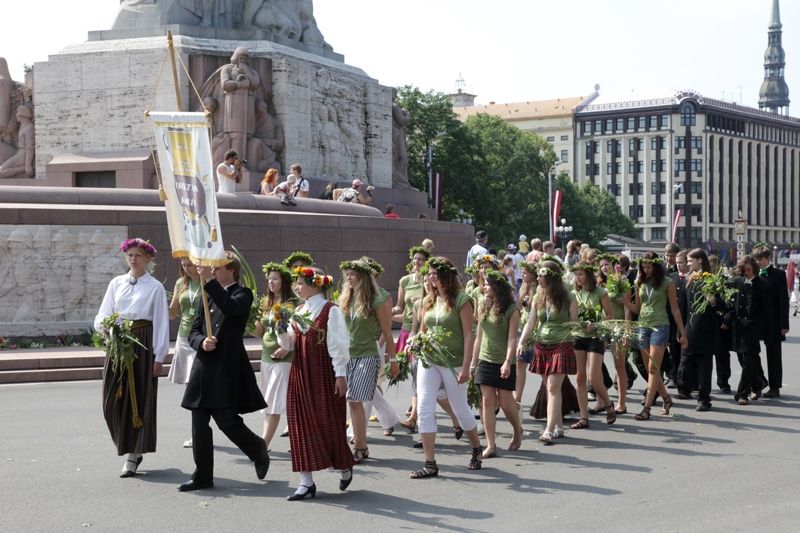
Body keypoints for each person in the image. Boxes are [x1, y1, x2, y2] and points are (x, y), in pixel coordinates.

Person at [178, 252, 269, 492]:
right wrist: (201, 342)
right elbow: (193, 330)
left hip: (226, 367)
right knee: (198, 422)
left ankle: (257, 448)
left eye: (217, 268)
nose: (213, 271)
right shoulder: (208, 293)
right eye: (211, 269)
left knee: (226, 421)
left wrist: (209, 282)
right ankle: (203, 476)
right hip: (204, 366)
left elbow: (230, 308)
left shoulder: (243, 293)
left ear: (231, 270)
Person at [94, 238, 169, 478]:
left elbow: (160, 323)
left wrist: (159, 357)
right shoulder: (117, 283)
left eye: (138, 255)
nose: (133, 259)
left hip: (143, 342)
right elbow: (104, 313)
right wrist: (106, 328)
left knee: (139, 398)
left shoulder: (155, 287)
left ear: (148, 259)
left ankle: (133, 453)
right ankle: (124, 441)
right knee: (111, 397)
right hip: (118, 341)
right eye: (130, 255)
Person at [281, 266, 353, 500]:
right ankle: (306, 482)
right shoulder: (299, 310)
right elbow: (289, 343)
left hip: (323, 373)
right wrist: (280, 325)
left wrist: (340, 374)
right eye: (297, 283)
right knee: (300, 424)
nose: (297, 287)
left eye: (301, 283)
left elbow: (339, 343)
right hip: (301, 372)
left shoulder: (330, 310)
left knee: (328, 421)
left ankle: (343, 466)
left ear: (315, 285)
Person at [411, 257, 483, 478]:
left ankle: (476, 447)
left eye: (435, 273)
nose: (431, 277)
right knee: (424, 409)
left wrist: (467, 367)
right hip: (429, 360)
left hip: (454, 363)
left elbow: (469, 335)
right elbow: (423, 330)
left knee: (460, 409)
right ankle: (430, 463)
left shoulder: (462, 300)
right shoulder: (428, 301)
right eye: (429, 274)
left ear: (447, 275)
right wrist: (413, 341)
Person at [339, 260, 399, 464]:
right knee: (353, 401)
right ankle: (362, 446)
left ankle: (360, 446)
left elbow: (387, 333)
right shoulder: (345, 300)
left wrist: (393, 360)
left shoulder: (376, 301)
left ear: (363, 278)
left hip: (367, 355)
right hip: (347, 356)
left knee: (356, 399)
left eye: (352, 275)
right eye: (347, 275)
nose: (348, 278)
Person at [517, 259, 578, 444]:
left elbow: (574, 323)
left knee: (552, 387)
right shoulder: (538, 296)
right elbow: (531, 322)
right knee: (553, 388)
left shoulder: (569, 296)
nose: (537, 278)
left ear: (550, 277)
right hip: (542, 344)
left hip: (562, 344)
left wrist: (585, 327)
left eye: (541, 275)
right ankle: (558, 426)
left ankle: (549, 430)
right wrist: (521, 342)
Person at [621, 252, 688, 421]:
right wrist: (625, 302)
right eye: (643, 267)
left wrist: (683, 332)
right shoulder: (638, 282)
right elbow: (637, 308)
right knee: (651, 369)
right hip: (642, 326)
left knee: (653, 368)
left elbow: (674, 309)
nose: (645, 270)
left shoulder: (667, 283)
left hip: (660, 326)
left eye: (649, 267)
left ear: (656, 267)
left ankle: (647, 409)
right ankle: (666, 399)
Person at [471, 270, 522, 457]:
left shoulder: (512, 310)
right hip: (485, 359)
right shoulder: (484, 305)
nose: (484, 287)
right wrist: (473, 363)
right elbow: (479, 337)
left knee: (507, 403)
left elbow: (511, 340)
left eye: (487, 284)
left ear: (497, 288)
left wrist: (508, 362)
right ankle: (491, 445)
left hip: (504, 361)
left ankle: (517, 431)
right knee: (487, 401)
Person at [254, 262, 297, 452]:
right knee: (272, 401)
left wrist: (287, 347)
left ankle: (263, 445)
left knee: (273, 402)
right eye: (269, 279)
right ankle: (297, 439)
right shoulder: (267, 302)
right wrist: (246, 320)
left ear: (284, 281)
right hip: (266, 357)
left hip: (284, 359)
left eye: (275, 278)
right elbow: (259, 331)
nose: (271, 282)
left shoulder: (294, 303)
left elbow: (298, 331)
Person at [679, 249, 727, 412]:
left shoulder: (711, 279)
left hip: (706, 329)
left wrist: (713, 300)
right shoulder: (690, 279)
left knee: (704, 366)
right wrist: (680, 330)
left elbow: (723, 306)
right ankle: (689, 388)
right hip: (690, 327)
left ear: (700, 260)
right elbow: (684, 307)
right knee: (687, 362)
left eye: (690, 261)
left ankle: (704, 399)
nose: (688, 263)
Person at [569, 262, 615, 428]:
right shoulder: (573, 293)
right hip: (578, 336)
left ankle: (608, 404)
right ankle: (583, 417)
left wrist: (596, 323)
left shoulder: (600, 292)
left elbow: (610, 315)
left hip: (595, 337)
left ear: (588, 275)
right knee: (579, 378)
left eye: (580, 274)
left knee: (594, 378)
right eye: (576, 274)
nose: (577, 277)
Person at [723, 255, 768, 406]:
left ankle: (742, 394)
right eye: (743, 270)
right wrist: (727, 321)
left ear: (754, 269)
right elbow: (730, 305)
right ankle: (759, 382)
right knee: (743, 360)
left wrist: (764, 329)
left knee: (748, 361)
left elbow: (766, 310)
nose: (746, 273)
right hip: (738, 328)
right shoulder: (736, 282)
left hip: (753, 328)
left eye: (748, 270)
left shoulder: (761, 285)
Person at [167, 257, 202, 448]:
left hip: (200, 338)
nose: (186, 269)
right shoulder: (181, 283)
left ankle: (199, 431)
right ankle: (197, 432)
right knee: (191, 388)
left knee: (195, 387)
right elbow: (173, 312)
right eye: (183, 266)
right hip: (183, 338)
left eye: (189, 265)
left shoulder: (207, 281)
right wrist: (156, 306)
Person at [596, 253, 632, 414]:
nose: (604, 267)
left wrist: (626, 330)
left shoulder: (621, 282)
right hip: (602, 328)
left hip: (617, 326)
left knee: (619, 365)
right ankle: (601, 401)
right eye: (602, 265)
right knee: (596, 365)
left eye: (607, 265)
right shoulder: (598, 284)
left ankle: (621, 403)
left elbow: (627, 308)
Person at [752, 245, 789, 399]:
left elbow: (783, 300)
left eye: (760, 259)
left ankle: (775, 386)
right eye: (756, 259)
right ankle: (758, 382)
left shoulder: (778, 274)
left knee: (774, 354)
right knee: (751, 353)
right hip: (757, 321)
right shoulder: (753, 274)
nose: (758, 262)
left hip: (773, 321)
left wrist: (784, 324)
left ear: (768, 258)